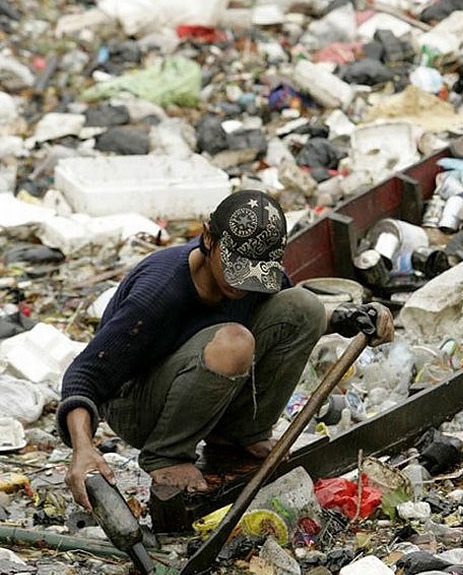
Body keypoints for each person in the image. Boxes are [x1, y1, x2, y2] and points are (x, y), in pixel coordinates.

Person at [59, 189, 394, 511]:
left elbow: (292, 320)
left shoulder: (254, 278)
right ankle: (166, 455)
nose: (243, 282)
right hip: (139, 406)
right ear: (208, 238)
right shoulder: (159, 291)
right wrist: (82, 447)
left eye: (255, 271)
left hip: (205, 387)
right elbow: (84, 375)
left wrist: (353, 318)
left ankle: (240, 434)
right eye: (236, 265)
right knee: (235, 342)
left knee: (305, 305)